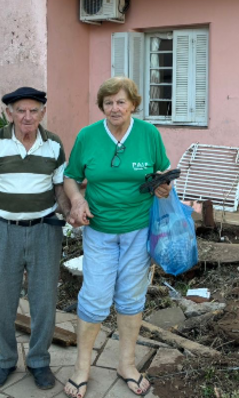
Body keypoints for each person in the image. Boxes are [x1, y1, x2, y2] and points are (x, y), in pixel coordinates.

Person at [63, 77, 172, 398]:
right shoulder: (88, 136)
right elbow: (71, 177)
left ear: (133, 105)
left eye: (121, 102)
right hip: (99, 230)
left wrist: (163, 185)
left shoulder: (149, 134)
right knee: (95, 297)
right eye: (108, 102)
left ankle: (126, 364)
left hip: (139, 230)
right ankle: (82, 368)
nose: (115, 108)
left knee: (131, 297)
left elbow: (162, 174)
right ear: (102, 106)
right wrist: (78, 200)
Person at [0, 86, 71, 391]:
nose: (27, 117)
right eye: (21, 111)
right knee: (0, 301)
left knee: (43, 300)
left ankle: (39, 360)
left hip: (44, 230)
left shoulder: (54, 145)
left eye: (34, 110)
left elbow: (58, 189)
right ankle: (6, 359)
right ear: (9, 113)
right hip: (1, 230)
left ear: (42, 113)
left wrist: (70, 212)